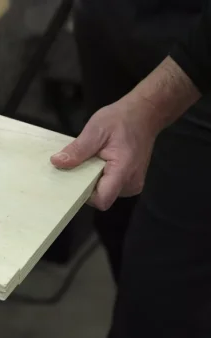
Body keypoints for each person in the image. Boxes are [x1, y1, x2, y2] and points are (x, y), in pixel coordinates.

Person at [50, 0, 211, 336]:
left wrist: (151, 105)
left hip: (202, 53)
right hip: (111, 15)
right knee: (114, 213)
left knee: (162, 292)